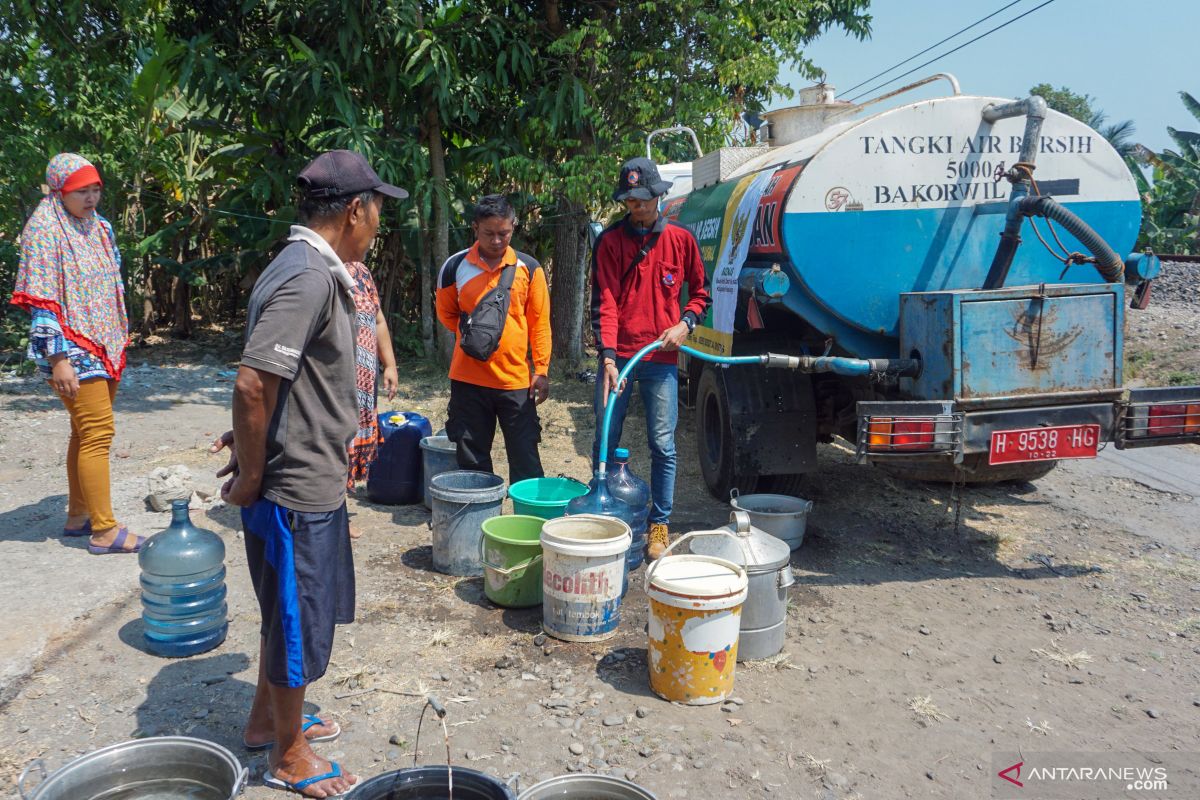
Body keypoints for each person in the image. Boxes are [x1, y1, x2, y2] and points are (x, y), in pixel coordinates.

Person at [212, 150, 406, 798]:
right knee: (298, 619)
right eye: (377, 207)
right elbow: (252, 382)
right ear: (355, 210)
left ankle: (269, 719)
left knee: (283, 610)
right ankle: (289, 756)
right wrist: (251, 473)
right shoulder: (308, 277)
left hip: (304, 478)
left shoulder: (310, 268)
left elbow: (275, 383)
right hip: (295, 488)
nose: (379, 221)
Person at [10, 153, 141, 555]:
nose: (91, 197)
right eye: (80, 191)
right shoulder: (45, 229)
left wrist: (118, 331)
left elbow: (110, 281)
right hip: (70, 347)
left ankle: (79, 515)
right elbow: (43, 302)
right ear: (58, 191)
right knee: (98, 433)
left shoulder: (98, 226)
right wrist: (57, 359)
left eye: (95, 188)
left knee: (84, 433)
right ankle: (104, 530)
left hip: (103, 341)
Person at [589, 157, 710, 561]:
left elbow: (700, 294)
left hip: (660, 356)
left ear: (658, 196)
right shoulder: (609, 243)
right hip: (618, 357)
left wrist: (685, 325)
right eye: (630, 200)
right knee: (606, 435)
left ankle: (659, 524)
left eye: (643, 200)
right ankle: (603, 511)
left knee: (663, 444)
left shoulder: (681, 241)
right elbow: (603, 302)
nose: (636, 207)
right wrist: (607, 357)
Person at [435, 194, 551, 484]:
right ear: (475, 228)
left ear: (513, 227)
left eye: (504, 233)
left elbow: (540, 324)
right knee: (472, 460)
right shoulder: (455, 266)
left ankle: (528, 523)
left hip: (515, 383)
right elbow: (446, 315)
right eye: (489, 234)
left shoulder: (529, 268)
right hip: (468, 381)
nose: (498, 240)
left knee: (526, 459)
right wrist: (474, 339)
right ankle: (475, 524)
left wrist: (542, 370)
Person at [344, 258, 398, 539]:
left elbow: (377, 319)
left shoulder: (361, 272)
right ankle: (333, 516)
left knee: (352, 441)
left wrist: (389, 364)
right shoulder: (320, 269)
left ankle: (335, 512)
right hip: (335, 382)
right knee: (336, 444)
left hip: (365, 382)